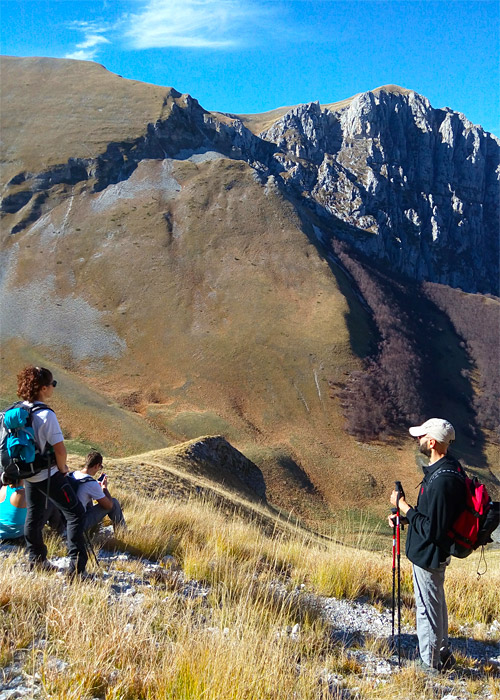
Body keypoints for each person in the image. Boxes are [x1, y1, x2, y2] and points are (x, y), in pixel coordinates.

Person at [389, 418, 466, 675]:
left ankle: (429, 664)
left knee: (426, 608)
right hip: (432, 552)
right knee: (435, 602)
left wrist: (403, 507)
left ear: (431, 442)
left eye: (421, 436)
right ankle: (442, 654)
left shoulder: (443, 480)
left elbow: (433, 529)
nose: (417, 440)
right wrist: (405, 516)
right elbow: (432, 515)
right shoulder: (447, 469)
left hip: (429, 554)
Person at [17, 366, 87, 576]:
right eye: (52, 384)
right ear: (44, 388)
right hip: (48, 474)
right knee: (75, 513)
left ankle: (36, 560)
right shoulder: (46, 415)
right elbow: (60, 450)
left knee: (34, 515)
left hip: (29, 474)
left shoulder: (18, 411)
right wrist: (63, 468)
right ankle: (76, 568)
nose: (53, 388)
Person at [72, 451, 126, 533]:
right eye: (100, 467)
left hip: (67, 519)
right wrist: (104, 488)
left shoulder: (73, 474)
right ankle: (123, 533)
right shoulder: (91, 484)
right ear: (97, 465)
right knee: (114, 503)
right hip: (79, 524)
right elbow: (109, 506)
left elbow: (84, 490)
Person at [0, 475, 65, 542]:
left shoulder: (3, 489)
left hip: (2, 534)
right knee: (50, 503)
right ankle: (59, 533)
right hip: (18, 536)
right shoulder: (23, 493)